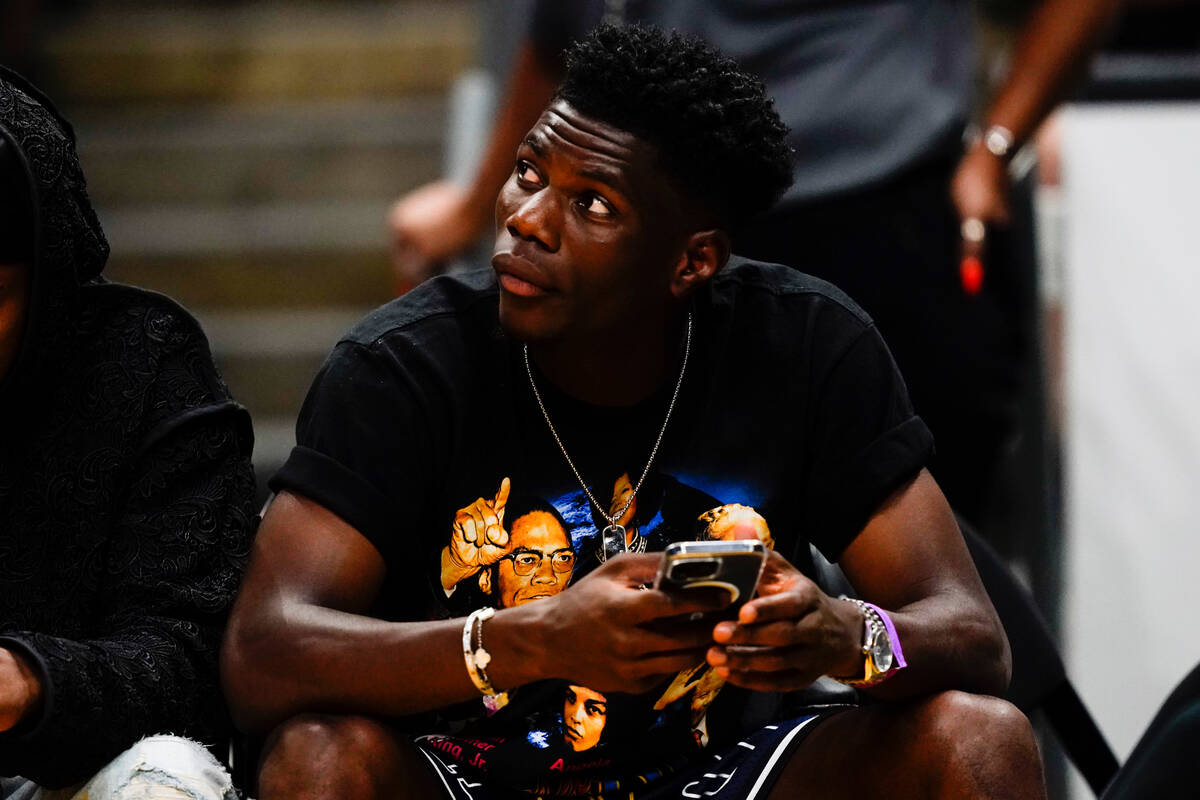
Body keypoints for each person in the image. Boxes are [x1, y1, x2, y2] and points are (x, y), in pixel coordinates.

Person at [223, 25, 1045, 798]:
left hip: (721, 771)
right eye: (529, 172)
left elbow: (974, 638)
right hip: (466, 771)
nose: (525, 218)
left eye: (594, 205)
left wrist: (845, 635)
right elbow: (263, 653)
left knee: (978, 739)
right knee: (317, 756)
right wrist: (533, 639)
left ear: (692, 262)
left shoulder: (803, 346)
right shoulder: (406, 366)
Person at [389, 0, 1122, 525]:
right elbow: (559, 49)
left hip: (892, 202)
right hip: (647, 220)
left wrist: (996, 147)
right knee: (622, 523)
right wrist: (476, 200)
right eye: (527, 181)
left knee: (939, 567)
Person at [0, 68, 255, 798]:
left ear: (44, 280)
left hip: (62, 776)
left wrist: (27, 681)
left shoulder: (141, 369)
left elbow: (191, 660)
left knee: (166, 779)